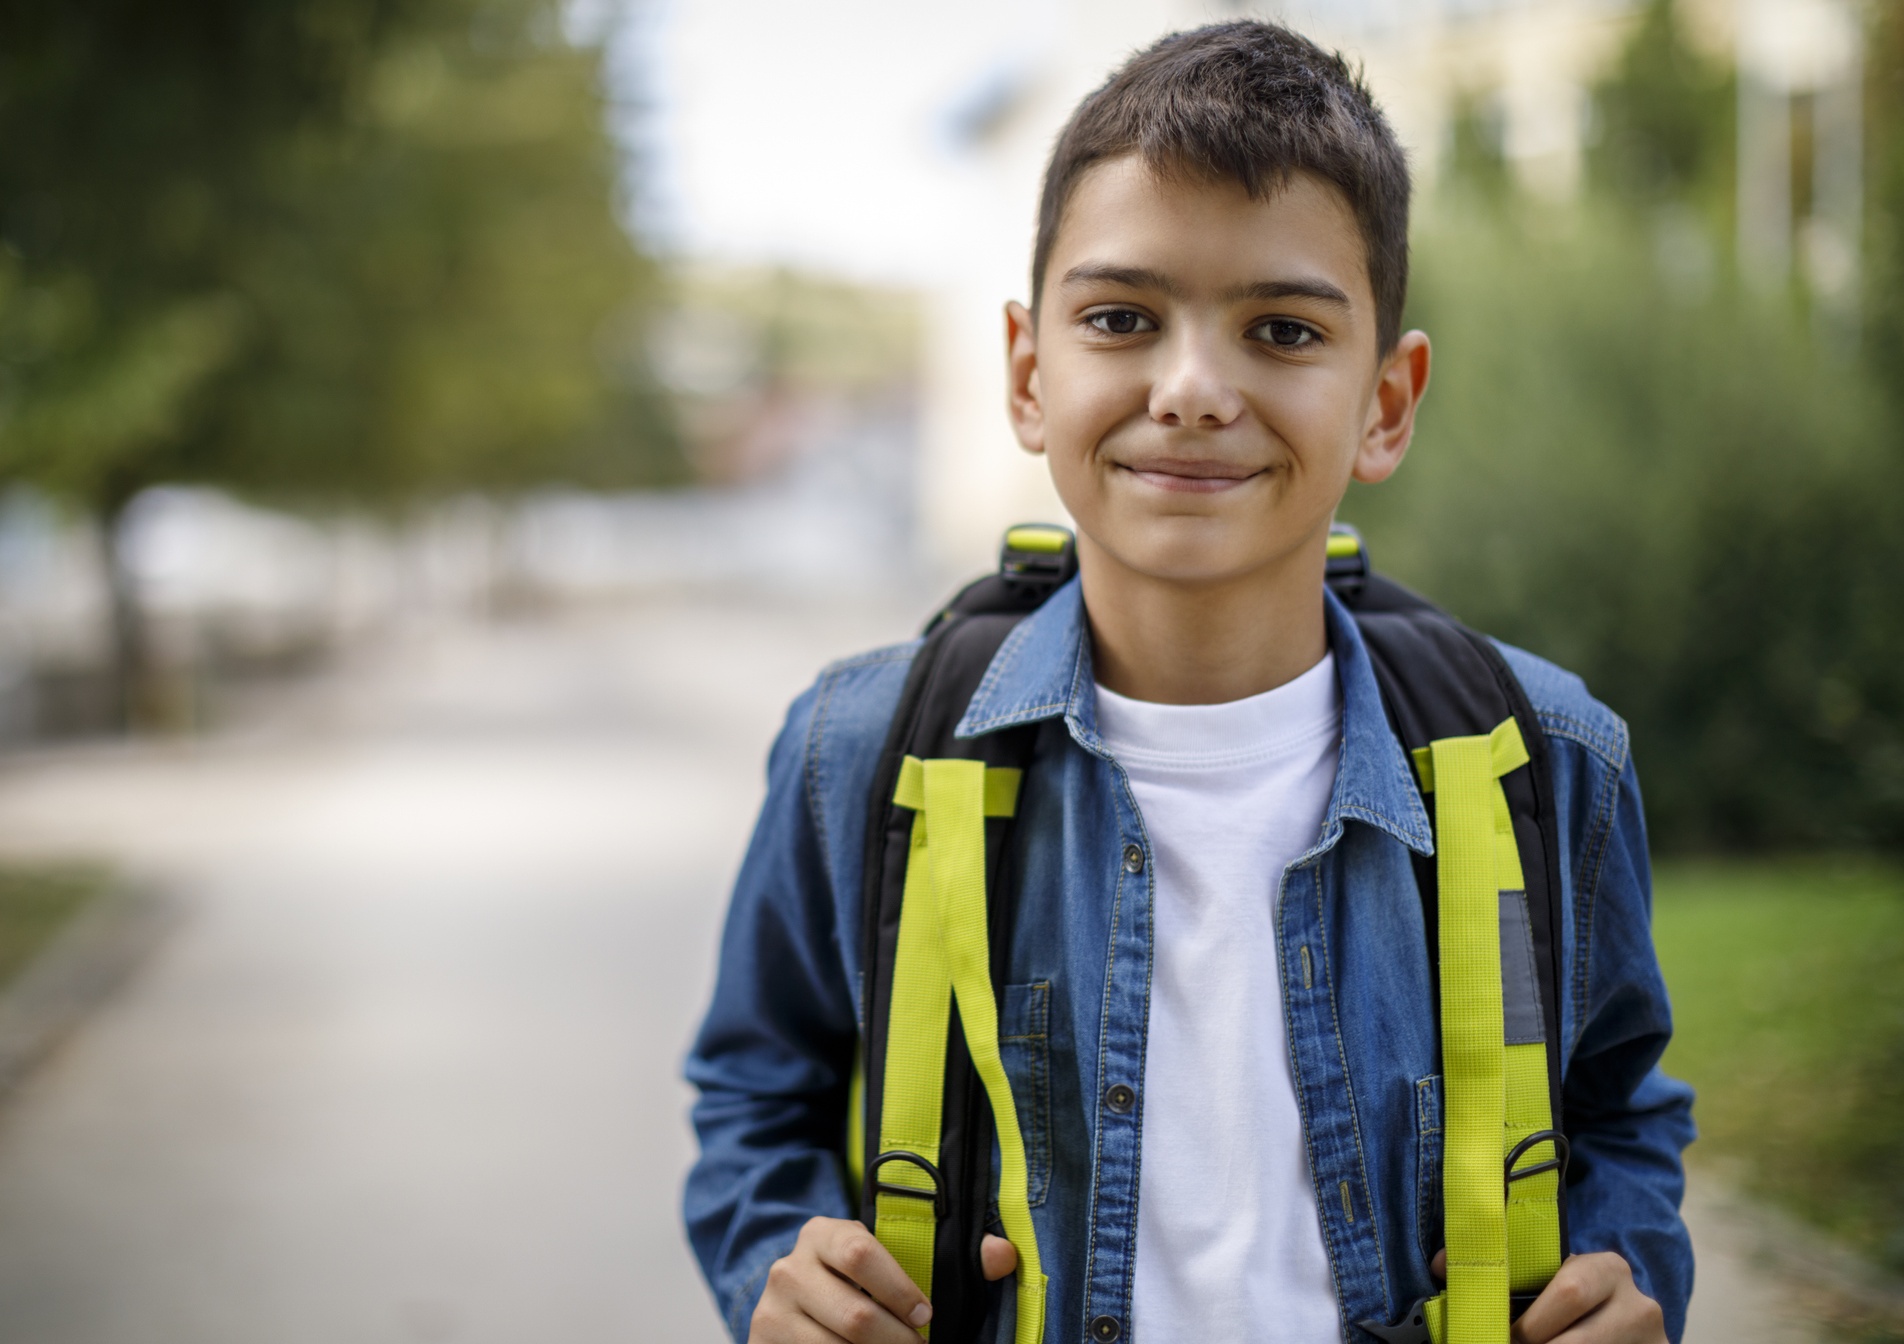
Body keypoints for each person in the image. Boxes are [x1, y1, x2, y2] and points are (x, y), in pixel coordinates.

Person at [683, 20, 1693, 1344]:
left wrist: (1631, 1274)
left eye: (1281, 329)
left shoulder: (1545, 756)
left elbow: (1621, 1106)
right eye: (1121, 319)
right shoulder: (856, 749)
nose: (1195, 389)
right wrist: (776, 1265)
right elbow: (757, 1090)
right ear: (1030, 374)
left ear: (1386, 403)